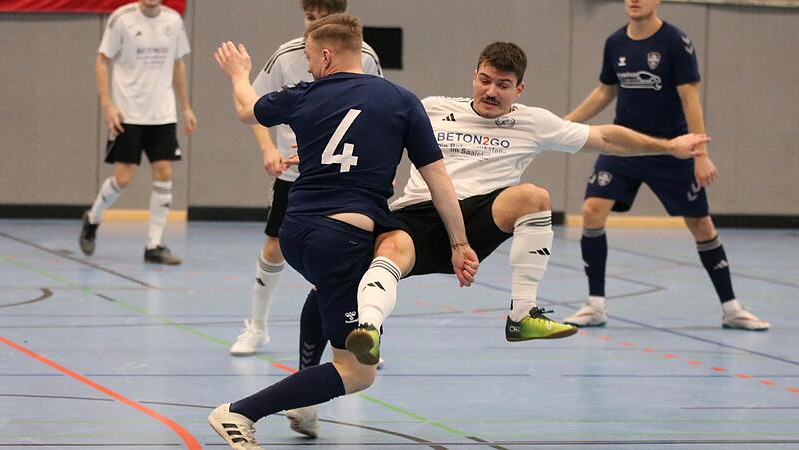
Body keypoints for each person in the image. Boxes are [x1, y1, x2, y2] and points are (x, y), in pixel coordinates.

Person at [283, 41, 711, 439]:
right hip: (416, 214)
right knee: (337, 281)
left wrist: (670, 146)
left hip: (481, 218)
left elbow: (604, 136)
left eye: (503, 85)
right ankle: (362, 335)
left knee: (534, 197)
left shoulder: (533, 122)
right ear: (474, 76)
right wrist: (318, 154)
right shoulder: (432, 109)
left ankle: (521, 315)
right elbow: (370, 133)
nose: (491, 91)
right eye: (485, 80)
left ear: (518, 88)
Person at [208, 14, 477, 450]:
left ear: (327, 55)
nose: (311, 67)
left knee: (332, 286)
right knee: (357, 373)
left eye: (312, 58)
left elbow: (246, 109)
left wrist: (239, 74)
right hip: (341, 238)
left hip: (297, 231)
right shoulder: (402, 100)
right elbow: (438, 180)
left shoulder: (304, 94)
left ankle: (304, 400)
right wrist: (460, 243)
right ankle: (239, 413)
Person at [562, 0, 769, 330]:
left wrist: (700, 155)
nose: (634, 0)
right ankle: (595, 304)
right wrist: (565, 124)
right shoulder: (615, 42)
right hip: (625, 146)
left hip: (672, 149)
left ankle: (731, 308)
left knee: (701, 226)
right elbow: (605, 91)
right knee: (591, 210)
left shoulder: (675, 41)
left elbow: (691, 100)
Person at [229, 0, 383, 358]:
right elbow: (253, 106)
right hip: (297, 176)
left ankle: (359, 333)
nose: (312, 25)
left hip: (346, 176)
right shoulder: (287, 55)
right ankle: (257, 327)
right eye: (308, 18)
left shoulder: (365, 57)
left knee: (354, 255)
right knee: (275, 246)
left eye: (322, 18)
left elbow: (375, 109)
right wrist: (268, 149)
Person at [78, 0, 196, 265]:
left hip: (162, 113)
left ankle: (154, 245)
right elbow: (101, 61)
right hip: (128, 113)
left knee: (164, 173)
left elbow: (178, 64)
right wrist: (108, 106)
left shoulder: (173, 21)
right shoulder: (122, 19)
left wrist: (186, 106)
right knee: (123, 179)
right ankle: (93, 218)